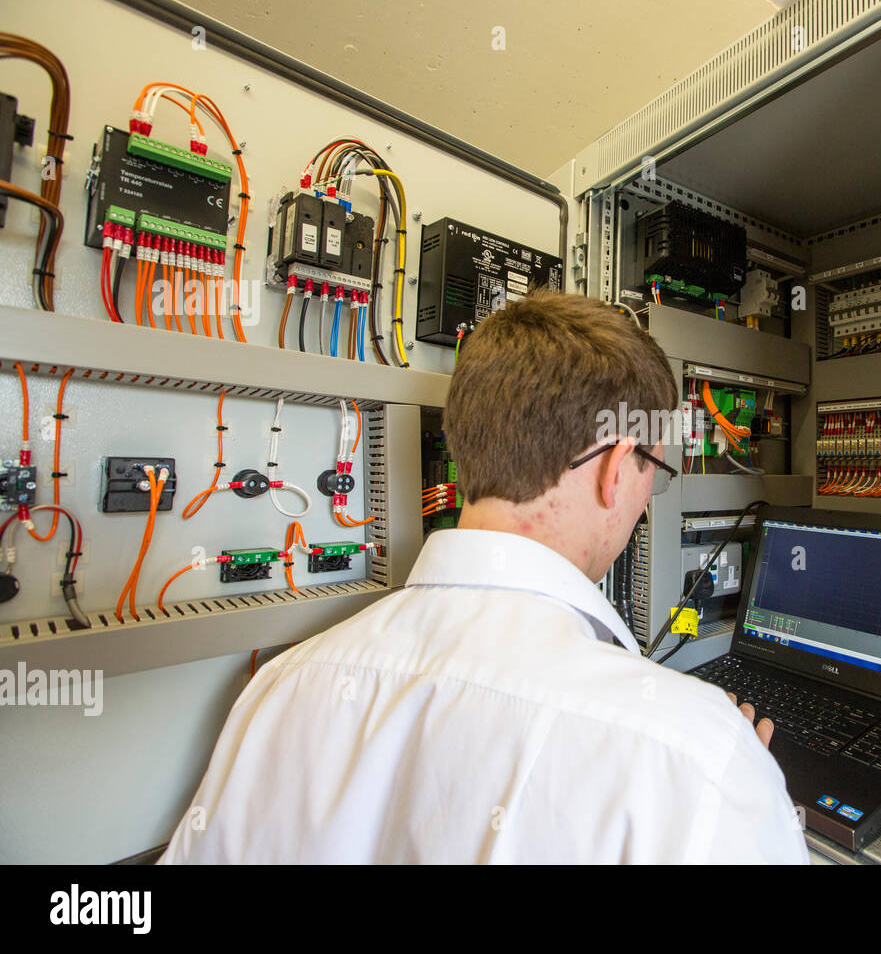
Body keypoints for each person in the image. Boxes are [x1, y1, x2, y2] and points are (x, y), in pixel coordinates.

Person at [160, 290, 807, 864]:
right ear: (616, 469)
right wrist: (726, 771)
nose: (645, 500)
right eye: (652, 476)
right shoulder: (698, 760)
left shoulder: (282, 686)